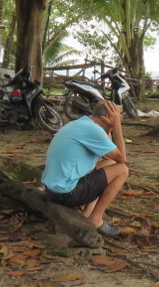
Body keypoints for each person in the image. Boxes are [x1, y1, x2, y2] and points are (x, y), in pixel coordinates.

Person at [42, 100, 129, 237]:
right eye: (118, 116)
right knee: (122, 170)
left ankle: (88, 213)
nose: (119, 120)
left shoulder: (83, 123)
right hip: (66, 194)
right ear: (108, 116)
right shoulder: (93, 130)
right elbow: (122, 158)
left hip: (53, 190)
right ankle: (96, 219)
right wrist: (117, 126)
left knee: (110, 163)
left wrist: (110, 128)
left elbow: (109, 157)